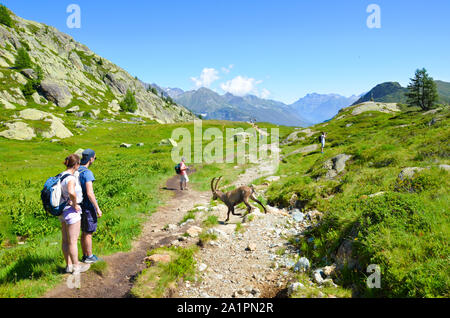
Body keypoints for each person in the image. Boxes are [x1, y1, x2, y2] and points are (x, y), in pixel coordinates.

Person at [60, 154, 90, 274]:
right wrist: (75, 203)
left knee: (65, 240)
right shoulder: (71, 178)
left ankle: (69, 266)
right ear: (76, 164)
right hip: (71, 212)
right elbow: (71, 192)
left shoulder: (62, 175)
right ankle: (77, 267)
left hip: (62, 211)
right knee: (73, 241)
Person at [78, 149, 103, 264]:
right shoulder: (87, 173)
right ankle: (89, 256)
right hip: (87, 206)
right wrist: (97, 207)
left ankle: (85, 255)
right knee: (88, 232)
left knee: (83, 231)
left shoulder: (76, 170)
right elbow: (89, 192)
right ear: (91, 159)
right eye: (94, 158)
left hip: (78, 206)